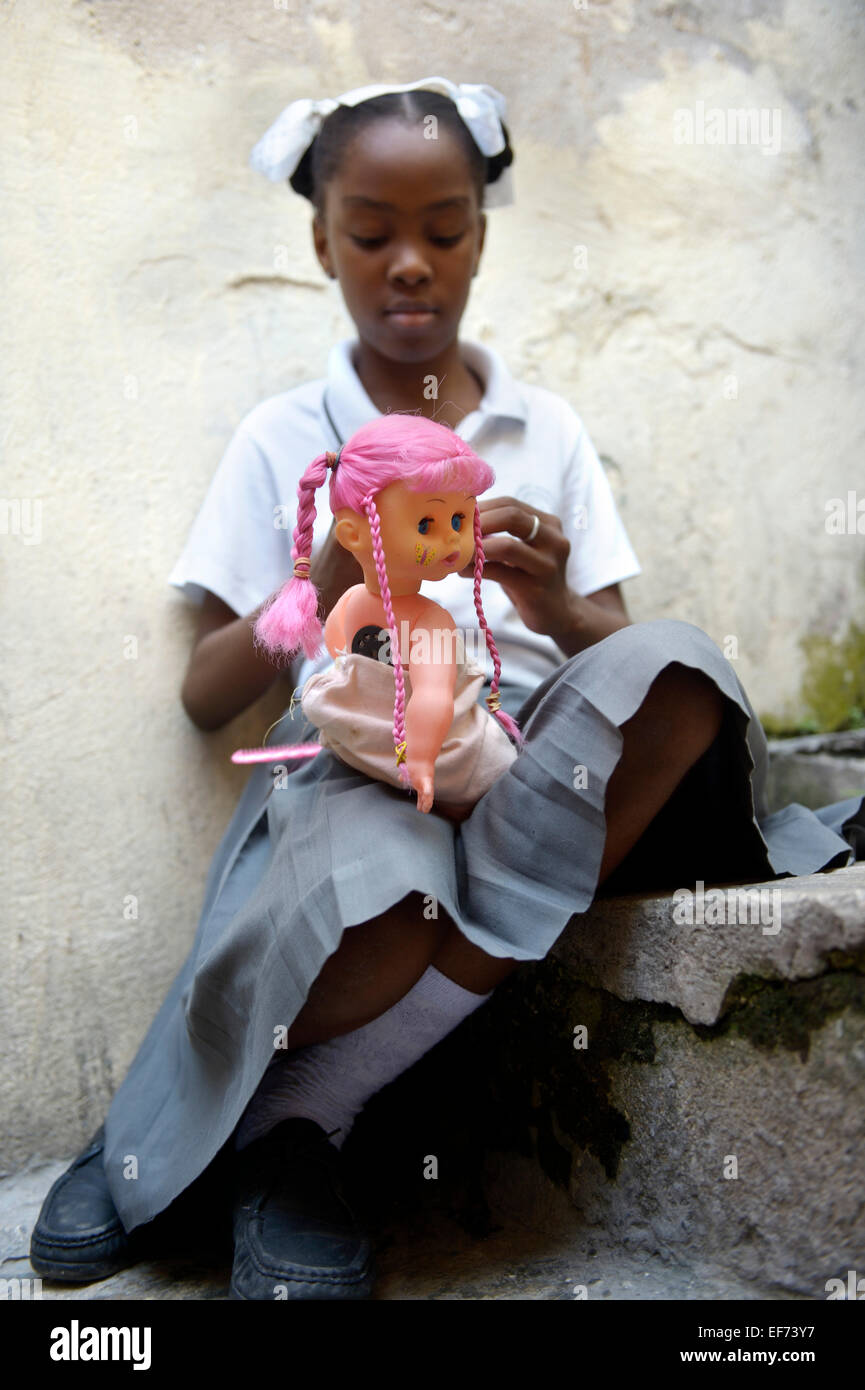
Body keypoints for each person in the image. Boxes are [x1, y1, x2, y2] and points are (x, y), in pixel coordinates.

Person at [30, 77, 865, 1302]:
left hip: (522, 766)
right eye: (371, 232)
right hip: (360, 772)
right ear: (321, 241)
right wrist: (321, 575)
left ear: (482, 232)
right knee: (389, 893)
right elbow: (208, 697)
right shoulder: (281, 436)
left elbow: (616, 656)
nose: (409, 263)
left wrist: (555, 604)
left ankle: (286, 1120)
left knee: (679, 671)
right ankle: (253, 1128)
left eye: (445, 228)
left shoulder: (549, 431)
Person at [252, 412, 523, 812]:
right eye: (427, 523)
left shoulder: (363, 607)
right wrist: (419, 761)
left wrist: (417, 753)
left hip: (393, 745)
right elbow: (428, 697)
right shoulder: (426, 622)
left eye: (460, 519)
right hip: (415, 755)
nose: (452, 537)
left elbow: (351, 655)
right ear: (352, 535)